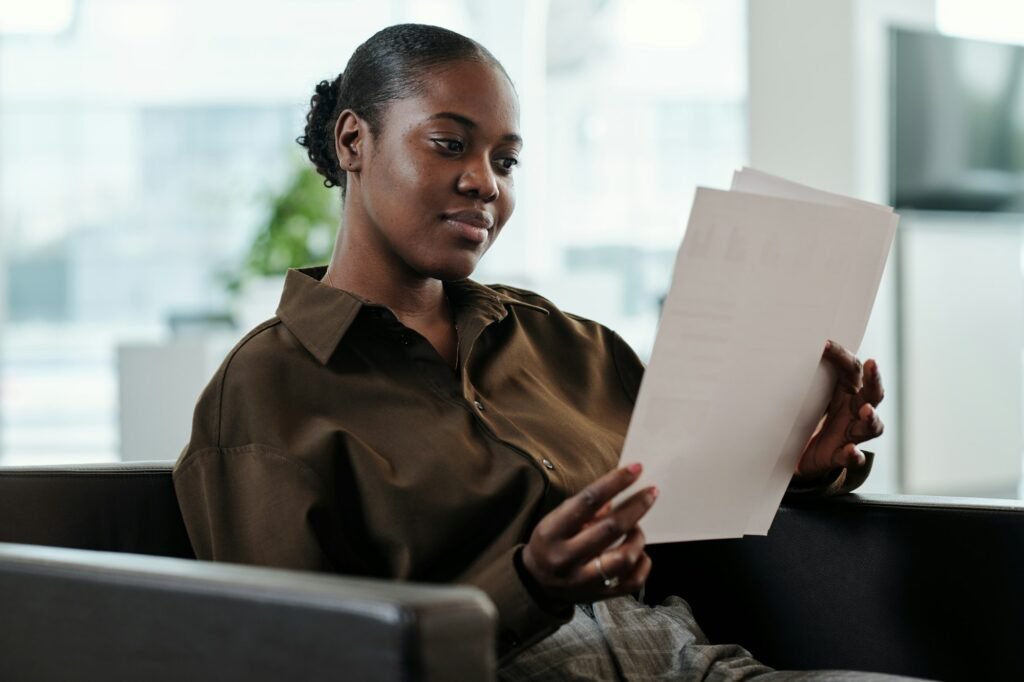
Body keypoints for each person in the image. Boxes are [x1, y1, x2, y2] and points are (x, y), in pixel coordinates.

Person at [173, 23, 910, 681]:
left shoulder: (566, 343)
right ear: (353, 141)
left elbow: (678, 508)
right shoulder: (268, 390)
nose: (484, 183)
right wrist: (527, 586)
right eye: (449, 144)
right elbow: (297, 662)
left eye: (507, 161)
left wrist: (793, 467)